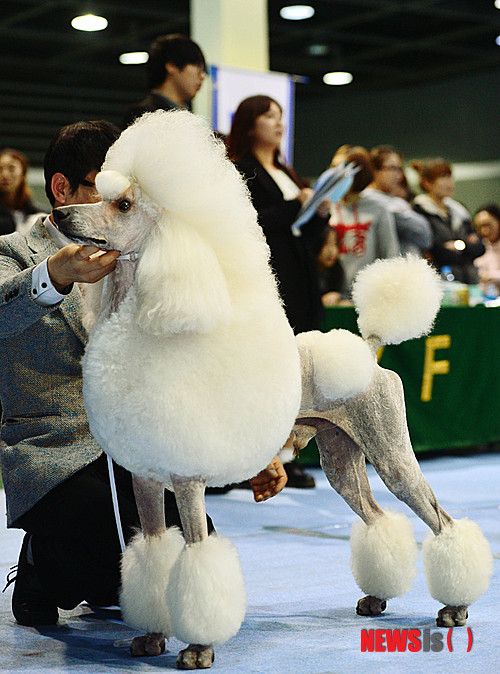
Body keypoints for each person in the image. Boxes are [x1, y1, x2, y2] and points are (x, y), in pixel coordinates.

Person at [0, 120, 286, 628]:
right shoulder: (11, 253)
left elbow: (194, 364)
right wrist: (55, 275)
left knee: (191, 539)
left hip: (146, 438)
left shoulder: (157, 260)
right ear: (63, 189)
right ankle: (42, 562)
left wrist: (250, 448)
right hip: (60, 448)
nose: (117, 209)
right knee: (112, 556)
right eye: (103, 191)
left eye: (128, 199)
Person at [227, 94, 330, 488]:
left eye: (281, 116)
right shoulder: (241, 170)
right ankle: (257, 460)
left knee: (296, 374)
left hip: (302, 277)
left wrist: (320, 214)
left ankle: (289, 455)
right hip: (272, 280)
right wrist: (294, 205)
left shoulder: (285, 169)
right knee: (267, 373)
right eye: (270, 116)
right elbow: (251, 221)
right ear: (251, 123)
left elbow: (300, 230)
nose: (278, 123)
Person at [328, 145, 400, 299]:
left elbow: (391, 256)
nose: (336, 175)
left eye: (343, 168)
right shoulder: (325, 207)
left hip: (368, 297)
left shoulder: (378, 208)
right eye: (333, 168)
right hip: (331, 297)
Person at [412, 158, 484, 283]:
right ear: (427, 183)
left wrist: (457, 245)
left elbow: (479, 248)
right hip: (440, 282)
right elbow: (437, 251)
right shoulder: (419, 211)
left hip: (470, 279)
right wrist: (465, 245)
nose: (449, 182)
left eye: (450, 177)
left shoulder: (459, 211)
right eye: (443, 177)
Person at [122, 33, 206, 128]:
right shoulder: (143, 115)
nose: (202, 76)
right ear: (172, 66)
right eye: (198, 67)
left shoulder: (188, 116)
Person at [364, 145, 432, 256]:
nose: (398, 175)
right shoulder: (366, 200)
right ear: (375, 170)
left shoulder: (398, 202)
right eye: (392, 168)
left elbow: (426, 237)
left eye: (399, 169)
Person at [0, 148, 44, 236]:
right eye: (0, 169)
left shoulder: (40, 215)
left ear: (23, 174)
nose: (5, 175)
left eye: (11, 168)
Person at [313, 225, 345, 307]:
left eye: (334, 244)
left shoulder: (337, 270)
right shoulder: (305, 272)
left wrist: (339, 297)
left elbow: (347, 294)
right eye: (326, 244)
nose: (331, 251)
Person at [473, 203, 500, 294]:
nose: (485, 231)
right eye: (480, 227)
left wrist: (491, 276)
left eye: (488, 225)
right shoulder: (483, 248)